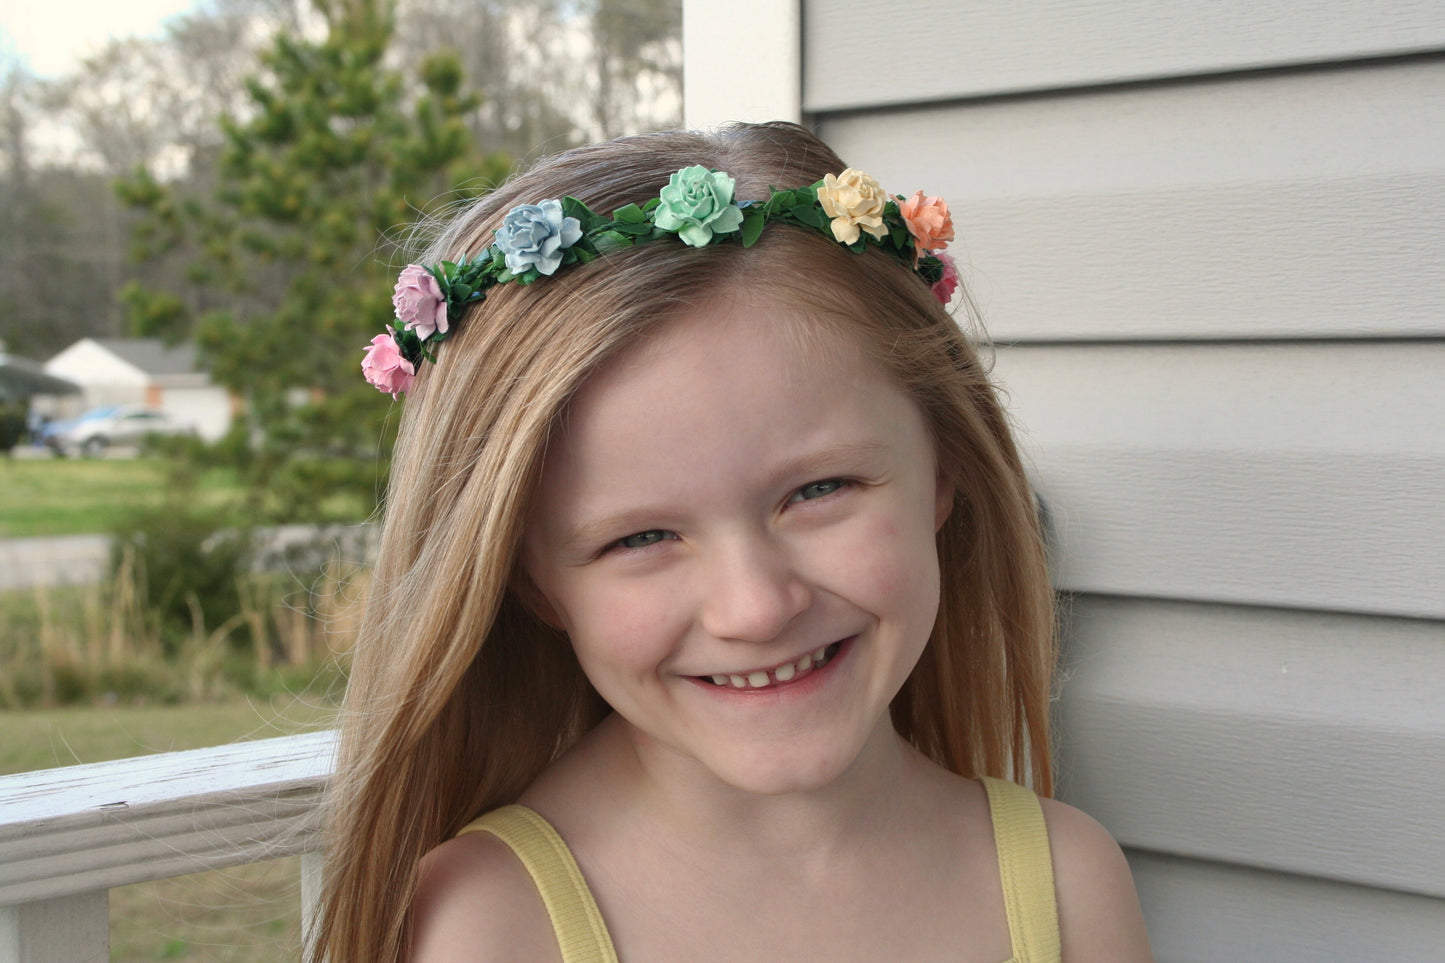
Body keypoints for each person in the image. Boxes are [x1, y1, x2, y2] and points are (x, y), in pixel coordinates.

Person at [314, 121, 1152, 962]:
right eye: (639, 537)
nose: (754, 607)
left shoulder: (1066, 883)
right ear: (528, 580)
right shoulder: (489, 927)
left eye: (818, 490)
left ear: (943, 469)